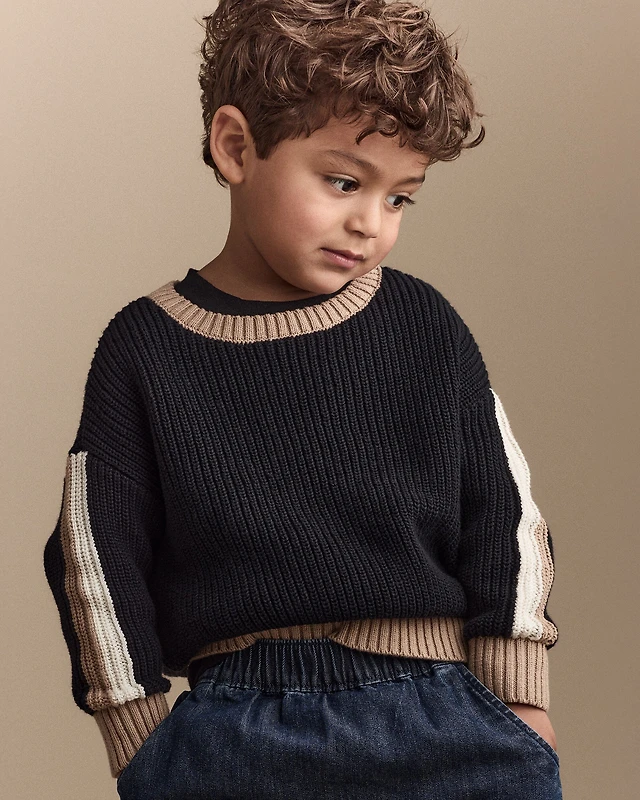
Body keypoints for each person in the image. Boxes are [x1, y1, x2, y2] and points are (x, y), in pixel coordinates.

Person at [43, 1, 563, 797]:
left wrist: (518, 699)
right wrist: (137, 733)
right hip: (233, 732)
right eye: (344, 181)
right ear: (236, 146)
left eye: (400, 198)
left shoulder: (422, 323)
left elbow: (505, 510)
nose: (371, 224)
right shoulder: (142, 349)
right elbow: (94, 552)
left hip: (443, 713)